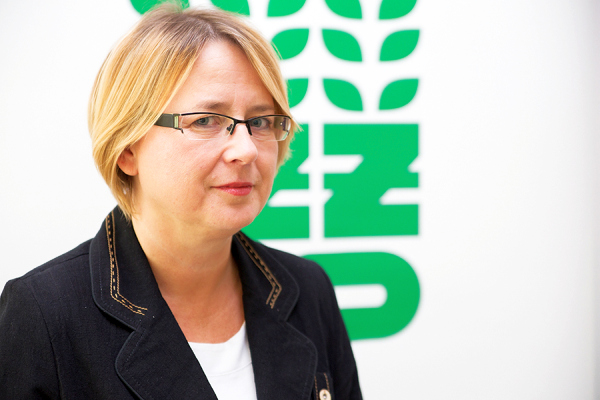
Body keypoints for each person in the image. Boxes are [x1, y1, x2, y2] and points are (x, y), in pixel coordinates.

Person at [0, 4, 361, 400]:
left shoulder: (308, 289)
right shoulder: (44, 313)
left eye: (260, 122)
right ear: (127, 148)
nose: (246, 150)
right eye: (205, 120)